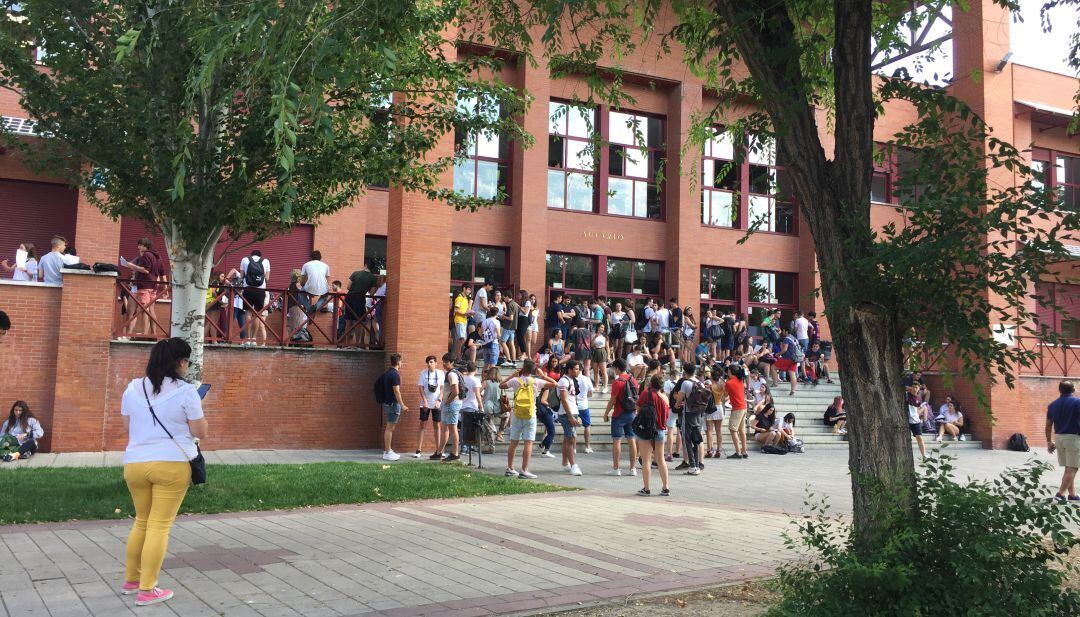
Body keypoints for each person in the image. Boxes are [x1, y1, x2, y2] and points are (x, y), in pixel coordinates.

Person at [119, 338, 208, 606]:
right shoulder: (186, 391)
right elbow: (199, 432)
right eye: (186, 361)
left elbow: (128, 426)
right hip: (171, 464)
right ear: (180, 362)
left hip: (135, 463)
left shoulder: (132, 389)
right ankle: (148, 589)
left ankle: (131, 581)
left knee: (141, 522)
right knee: (159, 526)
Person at [500, 359, 558, 479]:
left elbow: (501, 385)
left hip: (516, 414)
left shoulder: (516, 381)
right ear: (533, 370)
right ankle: (524, 470)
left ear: (522, 368)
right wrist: (544, 376)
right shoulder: (536, 381)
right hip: (530, 414)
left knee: (513, 442)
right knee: (528, 442)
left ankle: (510, 468)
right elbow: (555, 384)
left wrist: (512, 375)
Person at [635, 376, 671, 497]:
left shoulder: (646, 393)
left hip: (646, 429)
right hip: (660, 430)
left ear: (651, 383)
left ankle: (646, 488)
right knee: (660, 459)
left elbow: (638, 408)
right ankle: (666, 488)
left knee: (646, 460)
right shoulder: (665, 397)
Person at [1046, 380, 1080, 502]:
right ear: (1073, 389)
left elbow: (1048, 425)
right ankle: (1060, 495)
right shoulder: (1077, 402)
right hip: (1073, 438)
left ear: (1059, 390)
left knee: (1068, 467)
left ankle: (1072, 495)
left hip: (1059, 437)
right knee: (1073, 468)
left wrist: (1049, 442)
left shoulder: (1052, 405)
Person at [604, 359, 639, 476]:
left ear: (617, 368)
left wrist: (606, 414)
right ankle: (633, 469)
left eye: (614, 368)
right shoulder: (633, 380)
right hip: (632, 413)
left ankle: (616, 469)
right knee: (632, 440)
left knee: (617, 440)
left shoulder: (617, 382)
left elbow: (612, 400)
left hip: (619, 414)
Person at [674, 364, 708, 474]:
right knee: (696, 439)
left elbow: (679, 400)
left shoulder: (685, 383)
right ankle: (697, 465)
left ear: (685, 372)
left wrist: (676, 405)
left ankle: (692, 466)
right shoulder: (700, 383)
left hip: (688, 414)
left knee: (687, 440)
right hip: (699, 414)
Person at [556, 361, 585, 476]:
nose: (578, 371)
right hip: (567, 413)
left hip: (572, 411)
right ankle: (573, 465)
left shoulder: (571, 380)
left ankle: (565, 462)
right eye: (576, 369)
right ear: (569, 369)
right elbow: (564, 399)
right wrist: (570, 416)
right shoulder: (564, 381)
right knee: (571, 438)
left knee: (568, 438)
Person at [379, 354, 407, 460]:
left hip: (387, 403)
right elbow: (397, 391)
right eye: (401, 361)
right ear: (398, 362)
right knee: (390, 428)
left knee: (390, 427)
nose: (402, 363)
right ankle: (387, 452)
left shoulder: (387, 373)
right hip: (393, 404)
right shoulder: (395, 375)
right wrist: (402, 405)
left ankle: (388, 450)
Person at [345, 260, 379, 347]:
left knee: (348, 321)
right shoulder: (373, 278)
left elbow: (348, 286)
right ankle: (357, 344)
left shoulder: (355, 273)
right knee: (358, 322)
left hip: (349, 298)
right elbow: (372, 293)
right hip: (360, 299)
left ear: (366, 265)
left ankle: (346, 343)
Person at [240, 250, 270, 343]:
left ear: (251, 255)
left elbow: (241, 276)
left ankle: (248, 339)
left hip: (248, 289)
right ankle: (253, 339)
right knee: (257, 314)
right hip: (260, 290)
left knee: (248, 313)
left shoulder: (245, 259)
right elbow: (267, 278)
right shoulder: (266, 261)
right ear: (260, 256)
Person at [417, 356, 445, 459]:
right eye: (428, 362)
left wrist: (439, 400)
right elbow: (420, 387)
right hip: (425, 404)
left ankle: (438, 450)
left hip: (436, 404)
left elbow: (442, 388)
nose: (429, 364)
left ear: (436, 363)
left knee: (437, 426)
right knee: (422, 425)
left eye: (431, 362)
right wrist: (424, 401)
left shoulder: (441, 373)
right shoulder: (423, 373)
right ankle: (418, 449)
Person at [438, 353, 463, 462]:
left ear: (452, 362)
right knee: (446, 428)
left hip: (452, 404)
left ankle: (455, 453)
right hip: (452, 403)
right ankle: (440, 451)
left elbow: (455, 391)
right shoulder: (453, 373)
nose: (444, 364)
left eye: (446, 362)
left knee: (453, 429)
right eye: (443, 361)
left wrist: (447, 402)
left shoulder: (451, 375)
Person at [705, 368, 725, 459]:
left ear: (712, 377)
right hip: (719, 406)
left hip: (710, 408)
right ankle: (718, 450)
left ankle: (709, 450)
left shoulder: (709, 386)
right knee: (718, 430)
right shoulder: (722, 386)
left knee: (709, 430)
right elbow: (726, 396)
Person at [775, 328, 801, 395]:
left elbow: (784, 350)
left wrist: (778, 354)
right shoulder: (794, 338)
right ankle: (793, 390)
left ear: (786, 331)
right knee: (792, 373)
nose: (783, 332)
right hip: (795, 359)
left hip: (787, 358)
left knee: (773, 367)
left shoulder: (787, 339)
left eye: (783, 331)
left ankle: (775, 383)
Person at [906, 384, 927, 459]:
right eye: (913, 387)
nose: (915, 389)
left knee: (919, 438)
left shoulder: (919, 398)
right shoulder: (906, 395)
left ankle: (924, 455)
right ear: (911, 388)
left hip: (915, 421)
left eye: (916, 387)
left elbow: (918, 409)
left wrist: (918, 416)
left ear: (919, 389)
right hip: (906, 421)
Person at [451, 285, 472, 359]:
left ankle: (457, 355)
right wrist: (465, 314)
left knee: (463, 339)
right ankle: (458, 357)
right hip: (459, 320)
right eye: (468, 289)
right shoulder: (459, 298)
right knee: (462, 339)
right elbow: (456, 310)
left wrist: (470, 312)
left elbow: (466, 311)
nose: (469, 291)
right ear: (464, 289)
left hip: (464, 321)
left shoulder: (466, 299)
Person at [591, 323, 610, 394]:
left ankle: (605, 387)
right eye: (601, 327)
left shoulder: (605, 336)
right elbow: (591, 345)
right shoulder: (593, 335)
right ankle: (596, 386)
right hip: (595, 351)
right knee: (595, 371)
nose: (603, 329)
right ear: (598, 327)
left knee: (603, 371)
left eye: (603, 327)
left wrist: (608, 356)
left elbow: (607, 347)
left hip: (602, 351)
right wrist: (595, 337)